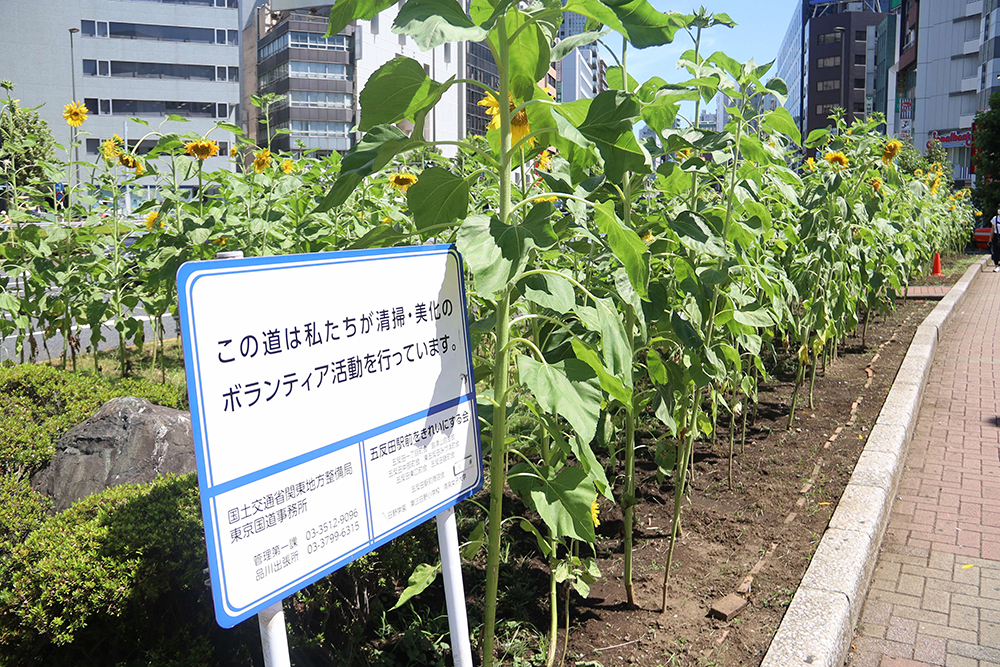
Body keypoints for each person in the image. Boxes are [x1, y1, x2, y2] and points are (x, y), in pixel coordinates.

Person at [992, 206, 1000, 272]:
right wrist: (989, 238)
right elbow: (992, 229)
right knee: (996, 251)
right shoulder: (995, 219)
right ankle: (996, 266)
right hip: (996, 236)